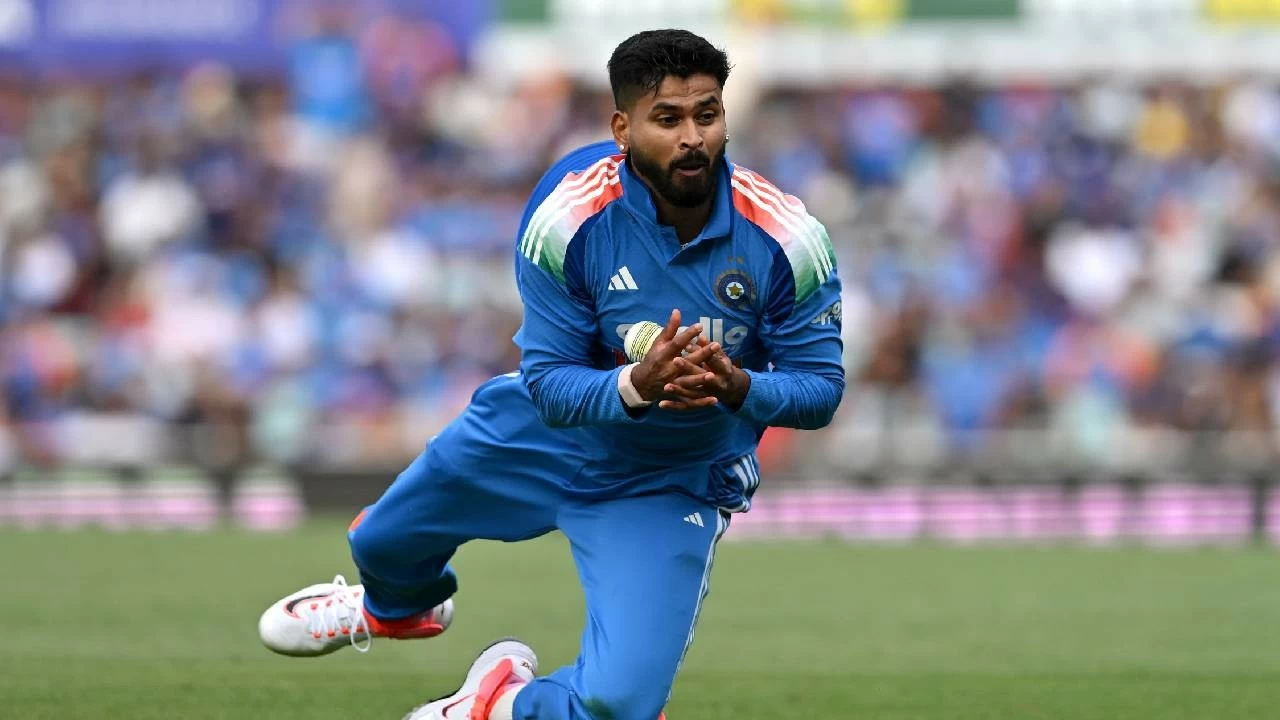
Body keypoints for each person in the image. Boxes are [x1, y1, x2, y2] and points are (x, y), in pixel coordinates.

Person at [256, 28, 845, 720]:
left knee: (619, 706)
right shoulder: (567, 216)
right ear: (622, 128)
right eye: (667, 119)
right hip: (545, 433)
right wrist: (637, 386)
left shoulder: (788, 237)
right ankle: (394, 607)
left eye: (706, 115)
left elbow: (820, 391)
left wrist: (738, 387)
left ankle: (495, 704)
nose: (692, 138)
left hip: (670, 477)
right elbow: (549, 381)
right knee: (381, 542)